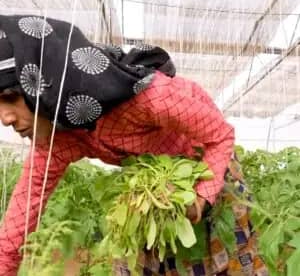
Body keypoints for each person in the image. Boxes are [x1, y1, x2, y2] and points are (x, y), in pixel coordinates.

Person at [0, 15, 268, 276]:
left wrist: (200, 197)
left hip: (209, 168)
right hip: (154, 190)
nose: (5, 118)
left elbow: (220, 135)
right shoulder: (60, 137)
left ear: (45, 81)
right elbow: (20, 215)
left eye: (11, 97)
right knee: (134, 262)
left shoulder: (149, 97)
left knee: (229, 257)